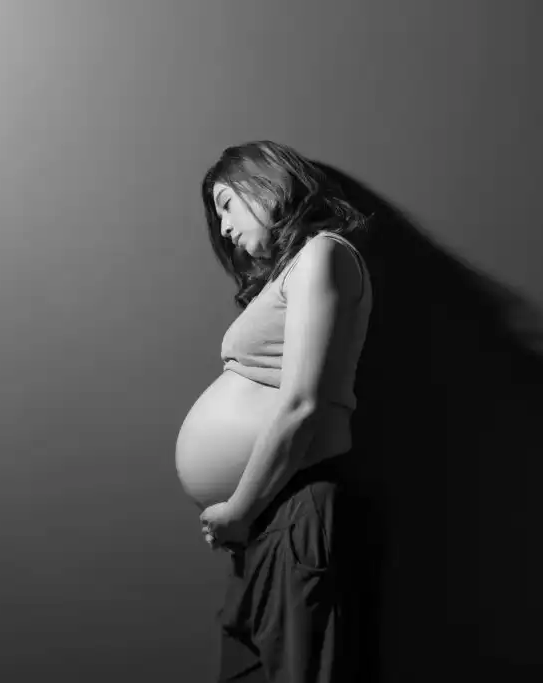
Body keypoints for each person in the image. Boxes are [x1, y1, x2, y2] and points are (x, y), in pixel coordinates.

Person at [174, 140, 374, 682]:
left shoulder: (324, 254)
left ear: (266, 184)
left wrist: (237, 510)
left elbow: (304, 404)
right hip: (265, 514)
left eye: (226, 204)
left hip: (292, 508)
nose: (223, 228)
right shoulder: (289, 275)